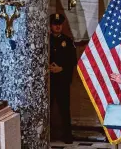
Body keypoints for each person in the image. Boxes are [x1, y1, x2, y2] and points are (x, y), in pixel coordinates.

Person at [49, 13, 77, 144]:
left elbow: (72, 60)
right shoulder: (46, 40)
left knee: (64, 108)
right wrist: (48, 67)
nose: (58, 26)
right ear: (50, 26)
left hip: (62, 80)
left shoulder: (68, 41)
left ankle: (67, 135)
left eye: (59, 24)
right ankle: (47, 134)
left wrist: (61, 68)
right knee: (47, 108)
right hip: (48, 80)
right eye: (55, 24)